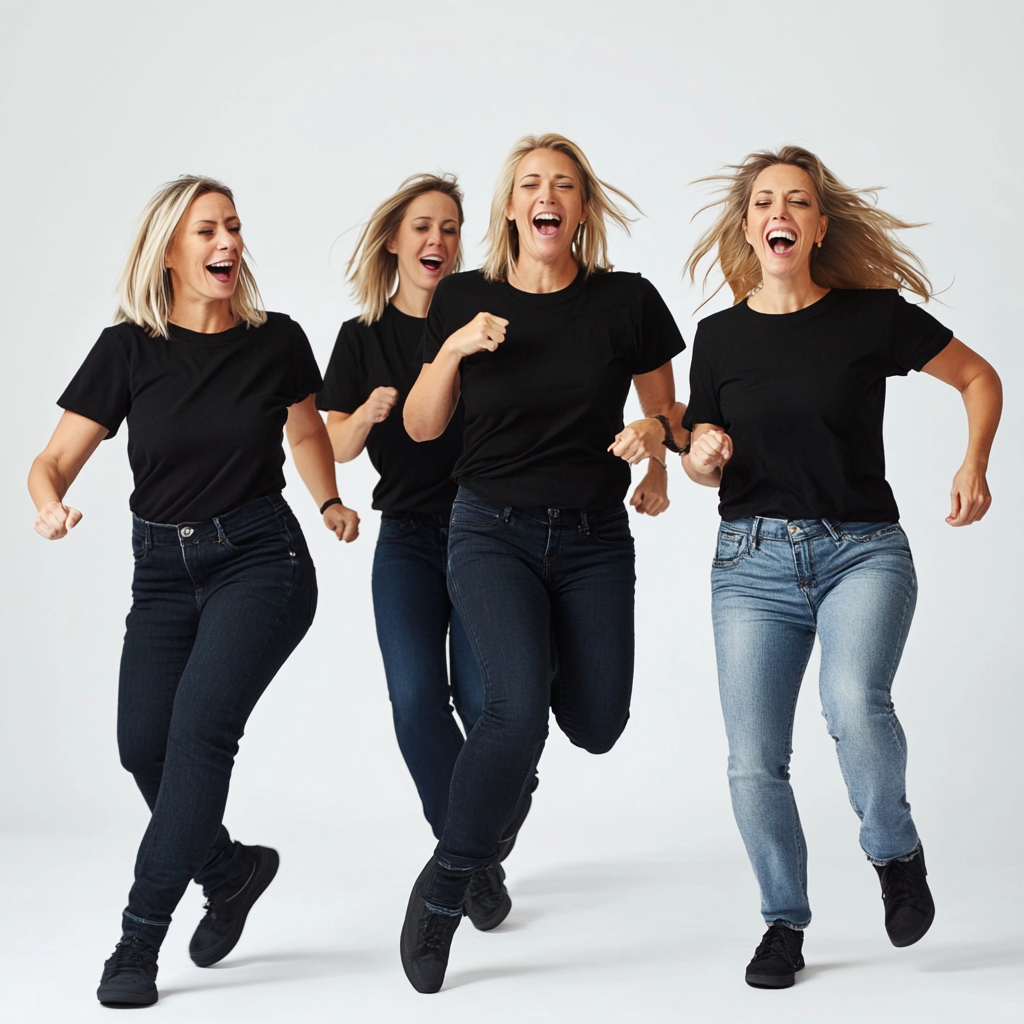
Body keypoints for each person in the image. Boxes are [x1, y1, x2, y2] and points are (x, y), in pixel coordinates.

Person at [28, 176, 360, 1009]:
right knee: (143, 747)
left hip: (261, 561)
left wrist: (326, 500)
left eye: (235, 228)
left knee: (201, 735)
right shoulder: (128, 348)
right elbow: (53, 460)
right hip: (161, 573)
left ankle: (138, 938)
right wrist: (47, 504)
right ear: (169, 249)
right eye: (208, 230)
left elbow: (308, 427)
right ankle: (231, 868)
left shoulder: (275, 339)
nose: (228, 243)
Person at [680, 145, 1002, 989]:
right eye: (763, 202)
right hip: (750, 562)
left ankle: (894, 854)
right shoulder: (717, 338)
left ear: (819, 226)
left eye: (796, 201)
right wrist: (701, 454)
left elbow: (978, 377)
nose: (778, 212)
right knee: (754, 759)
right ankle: (783, 923)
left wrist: (974, 463)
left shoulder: (873, 317)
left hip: (862, 550)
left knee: (854, 702)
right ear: (748, 227)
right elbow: (700, 457)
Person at [399, 132, 686, 993]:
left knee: (596, 725)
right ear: (512, 207)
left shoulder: (626, 301)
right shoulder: (462, 298)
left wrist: (655, 447)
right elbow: (418, 428)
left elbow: (669, 411)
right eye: (531, 183)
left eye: (563, 184)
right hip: (491, 530)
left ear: (582, 209)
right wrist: (452, 349)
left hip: (595, 537)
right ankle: (448, 882)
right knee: (515, 712)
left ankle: (531, 669)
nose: (546, 195)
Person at [317, 173, 513, 928]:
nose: (439, 240)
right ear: (395, 241)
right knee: (415, 702)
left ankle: (484, 825)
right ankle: (471, 855)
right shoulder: (363, 338)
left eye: (453, 228)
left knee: (489, 701)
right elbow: (328, 443)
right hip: (404, 535)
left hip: (483, 531)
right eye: (424, 227)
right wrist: (365, 413)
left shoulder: (488, 321)